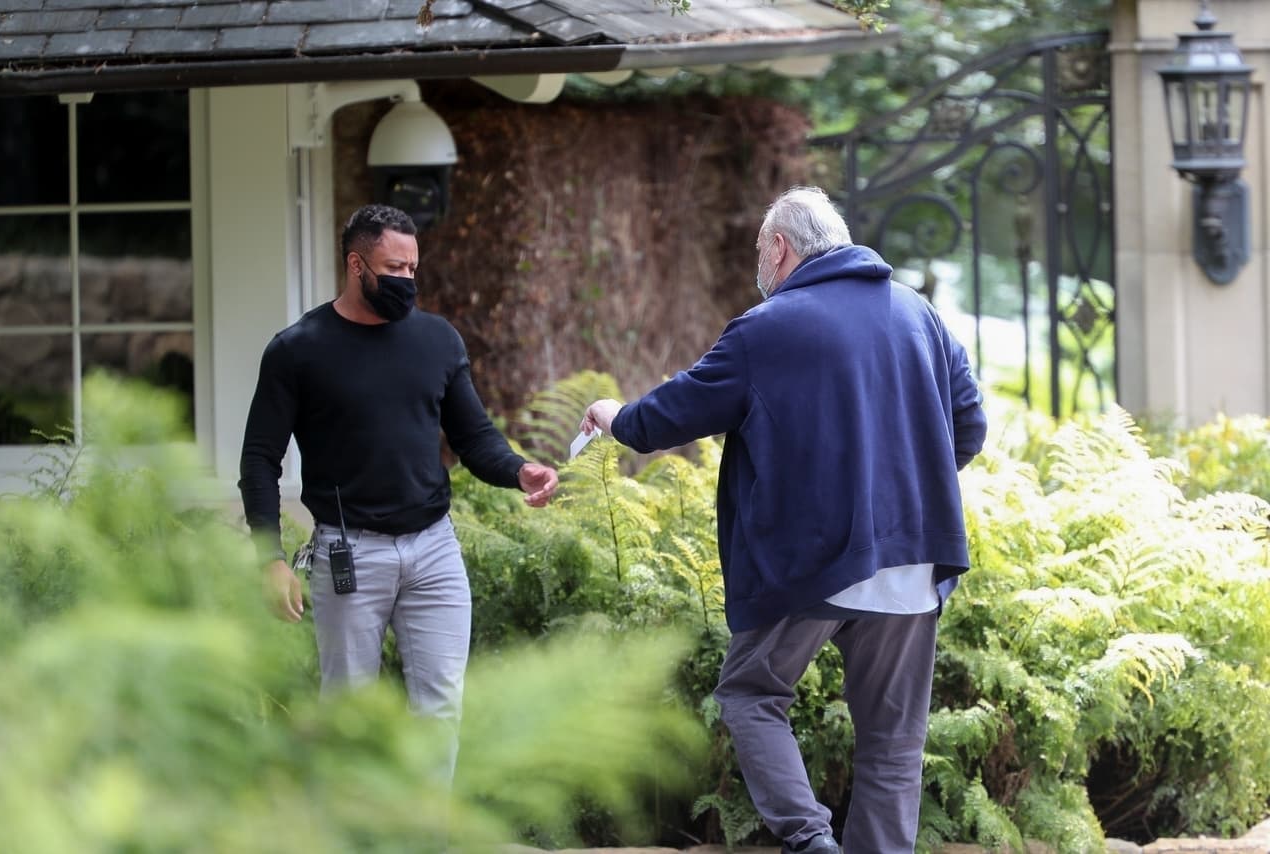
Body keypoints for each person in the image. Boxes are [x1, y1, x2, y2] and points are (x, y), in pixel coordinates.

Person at [581, 187, 986, 854]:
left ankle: (810, 841)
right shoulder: (919, 313)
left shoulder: (767, 327)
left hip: (813, 562)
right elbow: (968, 427)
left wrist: (615, 416)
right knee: (893, 744)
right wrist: (900, 495)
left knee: (750, 694)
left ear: (779, 247)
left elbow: (671, 414)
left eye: (758, 251)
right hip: (914, 562)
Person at [239, 203, 558, 774]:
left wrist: (518, 470)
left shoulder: (437, 341)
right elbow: (259, 459)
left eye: (413, 268)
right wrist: (271, 557)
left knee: (440, 711)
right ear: (356, 265)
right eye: (393, 268)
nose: (406, 280)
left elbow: (474, 437)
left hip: (434, 550)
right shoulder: (298, 350)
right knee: (349, 719)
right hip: (349, 553)